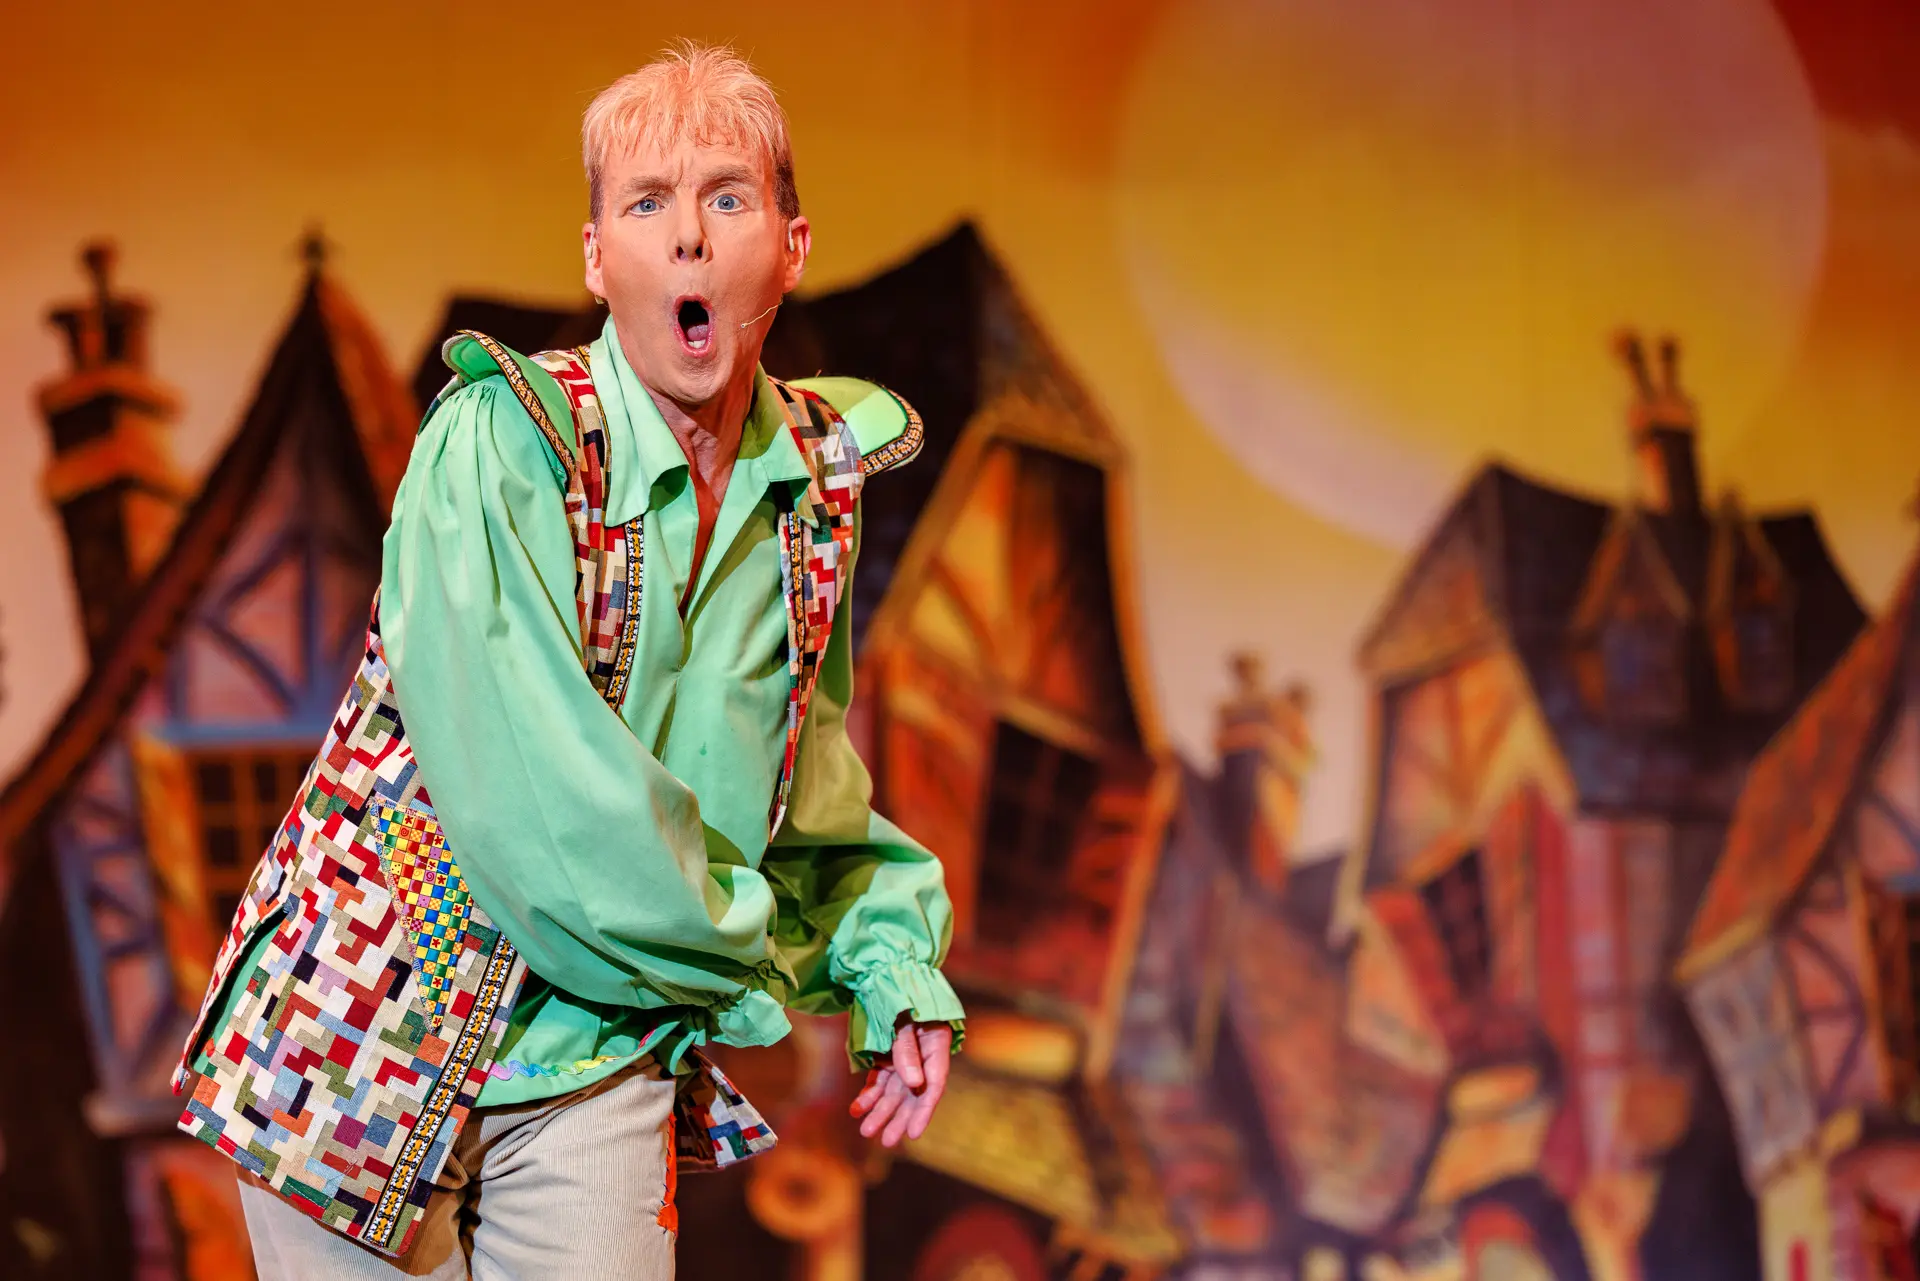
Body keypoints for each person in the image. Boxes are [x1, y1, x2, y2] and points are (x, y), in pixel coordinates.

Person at [173, 42, 964, 1279]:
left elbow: (798, 791)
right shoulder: (504, 440)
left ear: (792, 248)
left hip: (601, 1041)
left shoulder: (811, 491)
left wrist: (888, 963)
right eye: (647, 204)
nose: (688, 236)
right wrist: (756, 954)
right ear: (598, 260)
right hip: (364, 1030)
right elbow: (540, 805)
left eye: (727, 198)